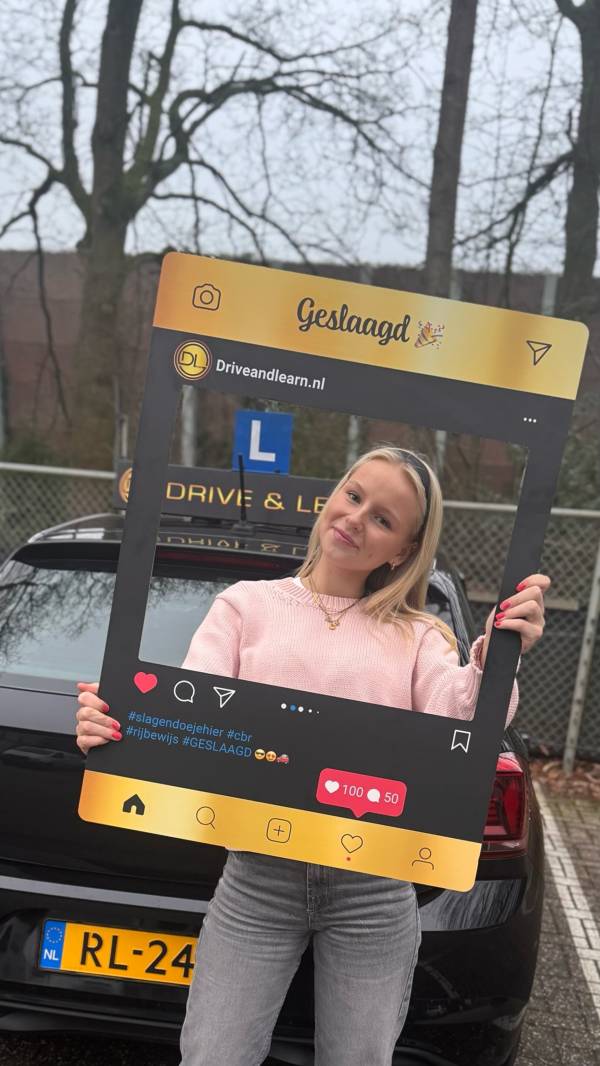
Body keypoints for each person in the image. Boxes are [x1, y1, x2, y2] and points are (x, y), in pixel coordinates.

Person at [76, 446, 549, 1066]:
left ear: (402, 551)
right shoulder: (245, 606)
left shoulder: (418, 637)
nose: (356, 518)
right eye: (354, 495)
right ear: (333, 495)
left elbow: (462, 721)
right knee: (213, 1056)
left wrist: (500, 653)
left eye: (383, 519)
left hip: (374, 889)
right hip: (257, 881)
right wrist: (117, 727)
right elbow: (186, 720)